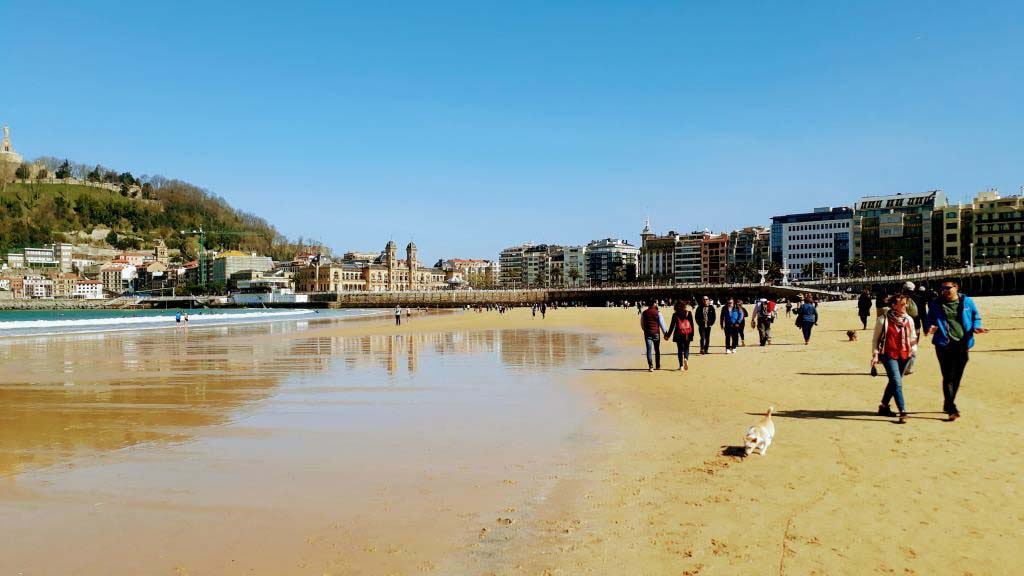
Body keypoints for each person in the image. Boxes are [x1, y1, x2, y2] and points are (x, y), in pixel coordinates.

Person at [925, 279, 987, 421]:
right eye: (943, 288)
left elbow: (976, 316)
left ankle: (948, 403)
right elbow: (929, 320)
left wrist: (977, 326)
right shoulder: (935, 304)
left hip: (963, 343)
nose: (945, 291)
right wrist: (930, 327)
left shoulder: (967, 302)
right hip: (943, 343)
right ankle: (952, 408)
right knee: (948, 376)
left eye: (948, 288)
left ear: (956, 287)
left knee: (957, 376)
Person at [871, 294, 919, 424]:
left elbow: (913, 336)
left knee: (894, 382)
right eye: (903, 304)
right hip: (888, 354)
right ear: (894, 305)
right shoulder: (883, 320)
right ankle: (903, 411)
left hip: (905, 354)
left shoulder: (909, 319)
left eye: (906, 303)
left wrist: (913, 351)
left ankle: (884, 406)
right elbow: (876, 339)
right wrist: (875, 354)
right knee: (897, 382)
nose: (906, 306)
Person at [664, 301, 695, 371]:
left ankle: (681, 366)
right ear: (684, 306)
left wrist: (667, 335)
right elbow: (692, 325)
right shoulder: (688, 313)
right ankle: (686, 358)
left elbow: (672, 326)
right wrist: (692, 334)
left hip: (678, 333)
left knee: (680, 350)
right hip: (687, 333)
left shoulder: (675, 314)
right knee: (687, 348)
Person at [640, 300, 667, 371]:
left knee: (649, 350)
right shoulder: (658, 313)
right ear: (654, 304)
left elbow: (642, 324)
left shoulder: (644, 313)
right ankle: (657, 365)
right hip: (656, 333)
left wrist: (645, 330)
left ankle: (650, 366)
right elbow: (662, 325)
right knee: (657, 349)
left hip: (647, 333)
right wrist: (665, 334)